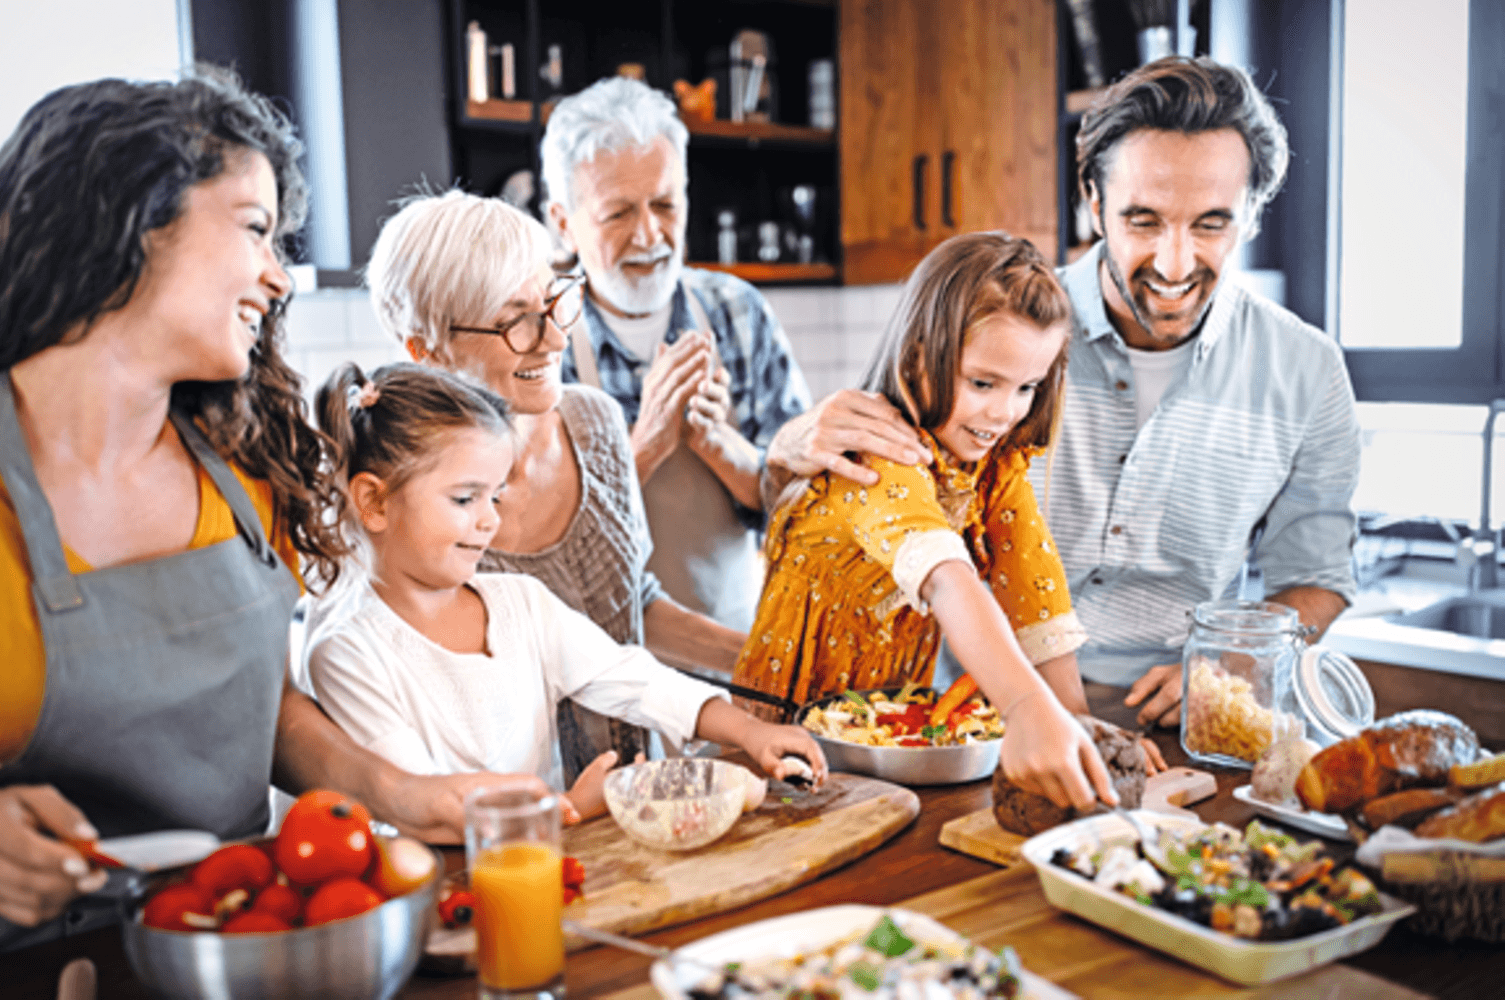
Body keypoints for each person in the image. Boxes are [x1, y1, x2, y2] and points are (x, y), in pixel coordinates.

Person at [0, 70, 537, 975]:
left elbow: (256, 708)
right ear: (130, 218)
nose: (279, 275)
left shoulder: (244, 470)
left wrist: (407, 793)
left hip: (234, 949)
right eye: (254, 228)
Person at [767, 57, 1360, 729]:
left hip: (1185, 722)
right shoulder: (995, 327)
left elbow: (1317, 577)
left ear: (1252, 214)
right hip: (967, 719)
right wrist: (790, 445)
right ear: (1094, 201)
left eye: (1210, 225)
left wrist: (1240, 661)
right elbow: (837, 505)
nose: (1173, 263)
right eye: (1144, 221)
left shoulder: (1308, 371)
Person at [303, 362, 827, 820]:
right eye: (465, 499)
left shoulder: (520, 603)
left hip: (545, 864)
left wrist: (750, 733)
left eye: (495, 496)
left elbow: (632, 677)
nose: (489, 520)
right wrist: (571, 807)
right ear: (373, 502)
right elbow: (424, 804)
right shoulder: (347, 652)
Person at [360, 190, 748, 781]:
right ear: (426, 350)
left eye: (554, 303)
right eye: (516, 320)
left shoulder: (595, 424)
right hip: (517, 822)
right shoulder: (405, 505)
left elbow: (629, 608)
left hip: (642, 796)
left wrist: (760, 663)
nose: (555, 339)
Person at [735, 232, 1119, 812]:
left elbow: (1036, 592)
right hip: (775, 738)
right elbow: (945, 576)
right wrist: (1025, 708)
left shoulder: (996, 463)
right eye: (983, 383)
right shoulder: (877, 449)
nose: (1005, 412)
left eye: (1027, 387)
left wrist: (1078, 721)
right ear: (919, 356)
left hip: (890, 740)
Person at [542, 76, 812, 635]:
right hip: (603, 664)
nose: (650, 234)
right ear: (564, 223)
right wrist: (647, 443)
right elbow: (539, 540)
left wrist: (722, 448)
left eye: (665, 204)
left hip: (738, 651)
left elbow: (806, 508)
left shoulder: (738, 313)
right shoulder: (542, 338)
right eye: (617, 214)